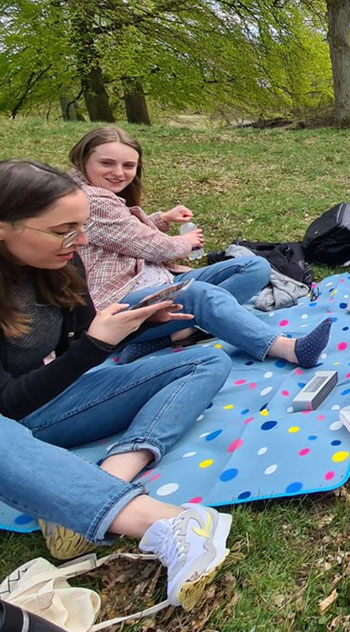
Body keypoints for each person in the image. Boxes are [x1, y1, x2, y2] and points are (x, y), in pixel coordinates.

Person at [0, 160, 232, 610]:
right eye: (64, 230)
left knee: (205, 362)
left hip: (49, 402)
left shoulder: (61, 263)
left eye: (82, 227)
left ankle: (106, 479)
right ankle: (167, 523)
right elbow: (7, 403)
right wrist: (93, 346)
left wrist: (139, 323)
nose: (82, 240)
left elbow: (83, 341)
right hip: (10, 417)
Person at [69, 127, 332, 366]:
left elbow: (123, 235)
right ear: (83, 160)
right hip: (119, 300)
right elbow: (153, 247)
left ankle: (175, 335)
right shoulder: (93, 200)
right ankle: (288, 348)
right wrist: (187, 242)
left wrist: (163, 219)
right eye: (107, 163)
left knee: (255, 266)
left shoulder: (94, 193)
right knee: (200, 295)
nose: (118, 172)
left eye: (128, 165)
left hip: (157, 281)